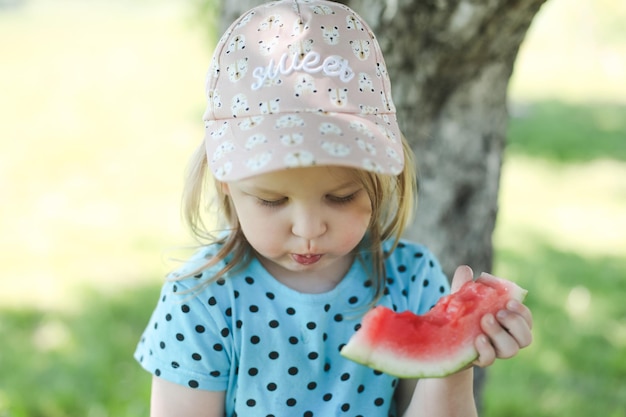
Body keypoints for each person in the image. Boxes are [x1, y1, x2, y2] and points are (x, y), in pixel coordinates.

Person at [134, 1, 533, 416]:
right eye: (272, 200)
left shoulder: (411, 280)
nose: (308, 229)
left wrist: (454, 362)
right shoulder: (199, 300)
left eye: (341, 197)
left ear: (380, 179)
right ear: (226, 185)